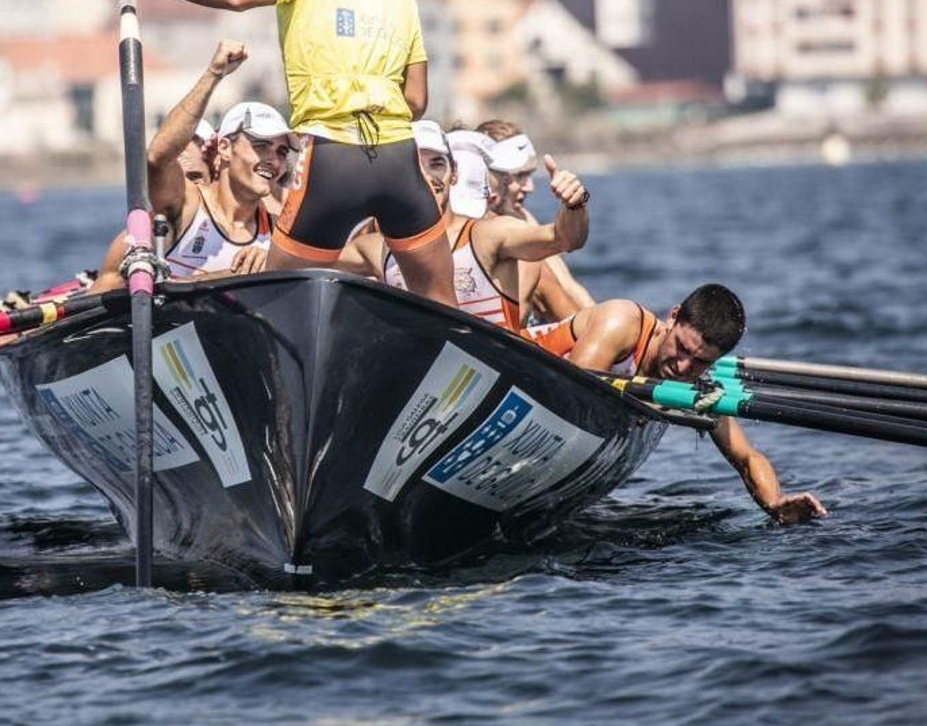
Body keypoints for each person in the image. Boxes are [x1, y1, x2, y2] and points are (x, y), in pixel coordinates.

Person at [111, 0, 454, 306]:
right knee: (440, 297)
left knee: (275, 299)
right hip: (399, 159)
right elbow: (416, 101)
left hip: (331, 160)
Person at [530, 283, 828, 524]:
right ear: (672, 317)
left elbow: (747, 458)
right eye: (682, 348)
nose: (683, 367)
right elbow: (573, 394)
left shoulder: (696, 388)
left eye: (700, 362)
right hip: (519, 373)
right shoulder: (622, 322)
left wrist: (776, 504)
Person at [90, 40, 297, 291]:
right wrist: (214, 74)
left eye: (282, 151)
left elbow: (339, 259)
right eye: (261, 146)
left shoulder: (279, 231)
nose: (274, 160)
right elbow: (157, 158)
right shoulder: (187, 205)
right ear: (224, 148)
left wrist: (275, 263)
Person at [340, 133, 591, 333]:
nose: (428, 177)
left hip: (493, 365)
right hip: (424, 363)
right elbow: (316, 263)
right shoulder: (377, 248)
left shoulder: (490, 234)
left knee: (612, 315)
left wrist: (574, 204)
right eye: (415, 166)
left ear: (454, 173)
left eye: (437, 164)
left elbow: (566, 239)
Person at [477, 119, 595, 320]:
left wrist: (576, 202)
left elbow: (569, 286)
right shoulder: (464, 219)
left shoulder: (521, 217)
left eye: (530, 175)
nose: (530, 187)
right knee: (535, 269)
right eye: (520, 176)